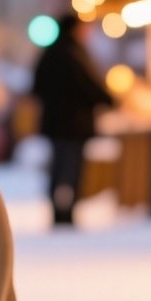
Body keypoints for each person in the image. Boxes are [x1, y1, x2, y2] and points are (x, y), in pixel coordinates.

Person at [31, 13, 112, 226]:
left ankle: (58, 211)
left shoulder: (49, 53)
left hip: (55, 124)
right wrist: (109, 100)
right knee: (73, 169)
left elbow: (37, 88)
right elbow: (88, 86)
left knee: (58, 167)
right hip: (75, 124)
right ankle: (67, 213)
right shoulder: (76, 54)